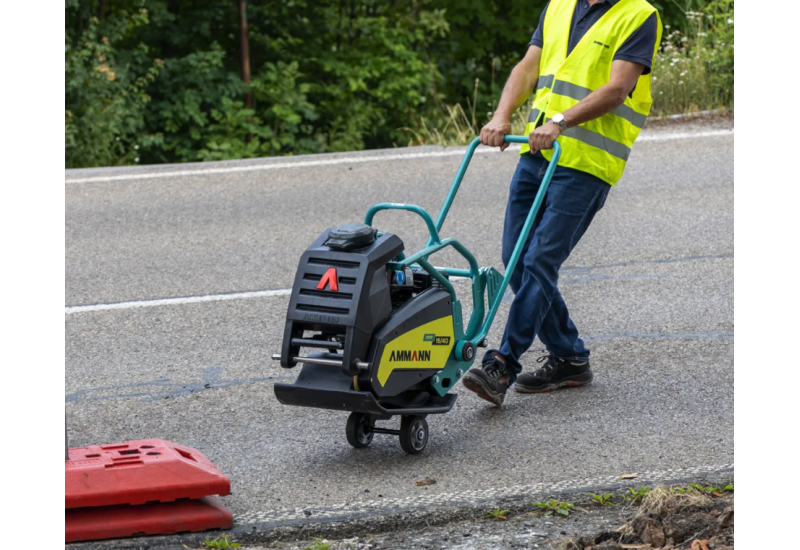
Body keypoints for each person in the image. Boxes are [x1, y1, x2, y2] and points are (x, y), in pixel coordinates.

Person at [461, 0, 662, 406]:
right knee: (516, 260)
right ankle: (569, 357)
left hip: (587, 163)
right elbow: (528, 68)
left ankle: (503, 364)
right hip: (536, 154)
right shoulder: (559, 6)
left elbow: (618, 89)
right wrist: (501, 115)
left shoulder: (639, 15)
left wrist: (560, 121)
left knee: (540, 260)